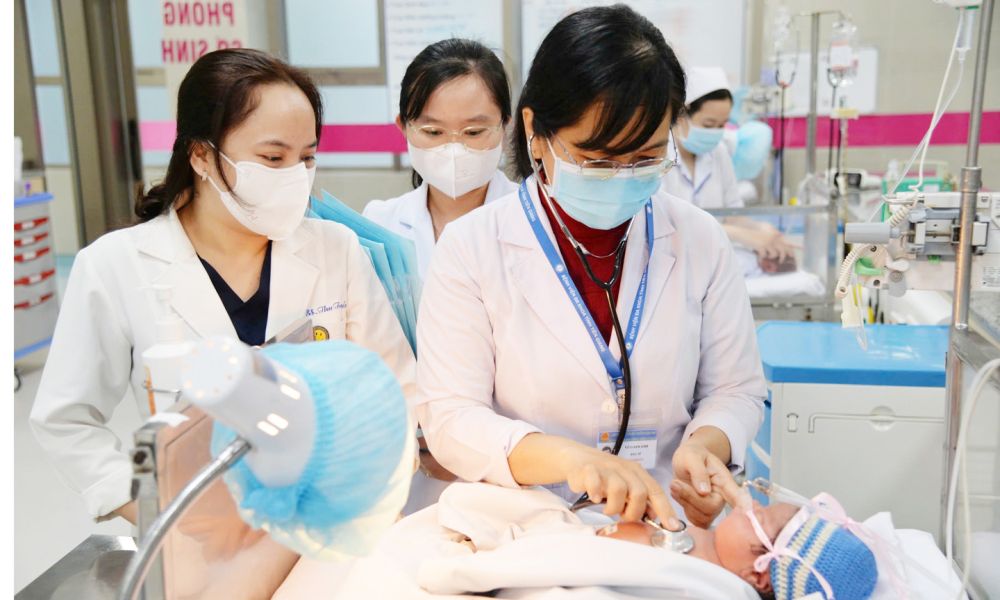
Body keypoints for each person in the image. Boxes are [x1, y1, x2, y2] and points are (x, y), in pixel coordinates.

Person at [414, 5, 766, 530]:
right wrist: (571, 460)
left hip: (665, 522)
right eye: (597, 160)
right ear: (535, 131)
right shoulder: (472, 248)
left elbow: (736, 389)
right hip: (527, 529)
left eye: (645, 158)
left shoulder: (699, 238)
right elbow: (451, 417)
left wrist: (707, 447)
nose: (622, 176)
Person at [30, 49, 415, 523]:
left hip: (331, 516)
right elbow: (66, 419)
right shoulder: (115, 266)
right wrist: (155, 513)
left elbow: (397, 388)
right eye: (272, 158)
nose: (295, 176)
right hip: (197, 522)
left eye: (307, 157)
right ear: (201, 155)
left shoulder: (336, 248)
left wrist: (367, 495)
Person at [363, 38, 517, 280]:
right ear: (404, 128)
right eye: (433, 132)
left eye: (473, 132)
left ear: (505, 127)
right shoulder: (379, 223)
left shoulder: (536, 221)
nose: (454, 149)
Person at [664, 66, 796, 271]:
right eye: (708, 125)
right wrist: (743, 235)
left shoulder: (718, 152)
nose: (715, 133)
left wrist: (761, 230)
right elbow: (669, 227)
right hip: (672, 262)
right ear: (681, 115)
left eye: (722, 125)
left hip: (714, 258)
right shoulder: (660, 158)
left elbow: (733, 214)